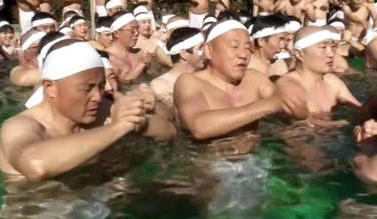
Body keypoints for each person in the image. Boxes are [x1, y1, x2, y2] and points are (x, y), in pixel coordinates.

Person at [0, 40, 150, 181]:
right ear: (51, 87)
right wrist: (117, 127)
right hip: (40, 207)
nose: (97, 96)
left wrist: (140, 110)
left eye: (101, 86)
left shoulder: (101, 111)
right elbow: (35, 165)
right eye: (87, 88)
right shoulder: (19, 125)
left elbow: (168, 130)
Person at [174, 19, 308, 140]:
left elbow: (296, 112)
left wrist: (291, 93)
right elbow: (200, 127)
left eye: (247, 48)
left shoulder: (254, 78)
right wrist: (269, 104)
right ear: (209, 50)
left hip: (254, 161)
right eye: (234, 46)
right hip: (207, 162)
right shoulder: (189, 82)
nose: (243, 54)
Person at [282, 26, 361, 125]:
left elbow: (360, 109)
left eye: (332, 47)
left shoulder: (332, 81)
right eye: (323, 47)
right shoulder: (287, 85)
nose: (331, 54)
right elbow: (300, 123)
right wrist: (344, 123)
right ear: (299, 53)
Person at [151, 27, 204, 110]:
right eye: (201, 48)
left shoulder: (208, 78)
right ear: (184, 54)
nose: (207, 52)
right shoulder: (160, 87)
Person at [107, 11, 151, 85]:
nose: (136, 33)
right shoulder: (108, 58)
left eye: (137, 29)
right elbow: (122, 83)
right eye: (132, 30)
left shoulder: (140, 53)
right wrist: (141, 64)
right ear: (116, 33)